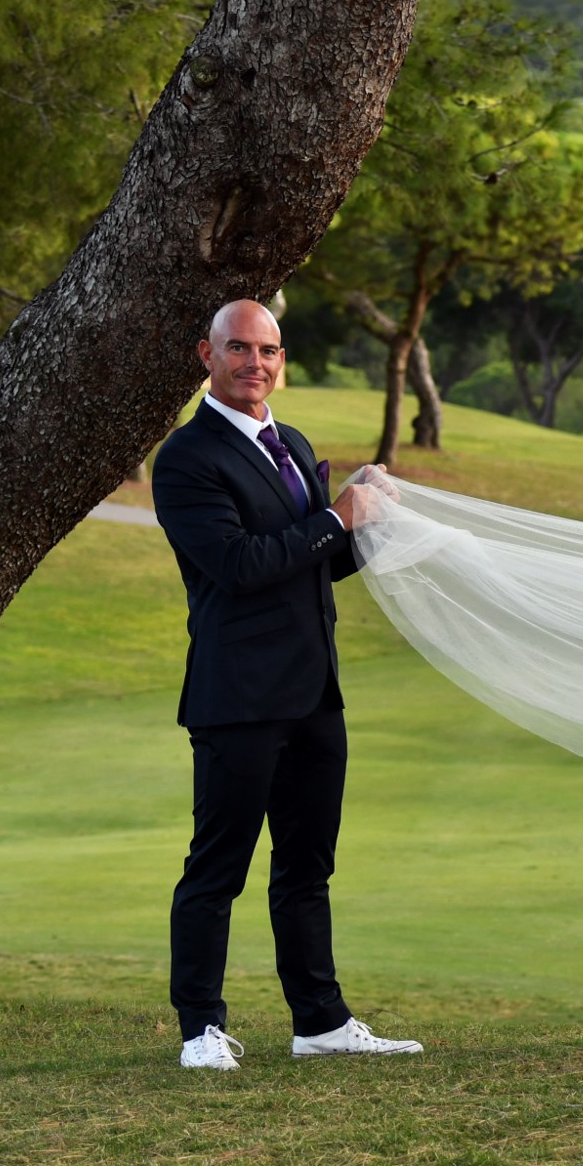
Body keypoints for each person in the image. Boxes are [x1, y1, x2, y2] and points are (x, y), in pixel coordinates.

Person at [152, 299, 421, 1070]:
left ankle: (320, 1021)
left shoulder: (292, 443)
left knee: (307, 868)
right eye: (238, 348)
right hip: (238, 697)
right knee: (217, 869)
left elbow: (315, 567)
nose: (255, 363)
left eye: (267, 350)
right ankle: (200, 1028)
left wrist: (370, 525)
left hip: (314, 695)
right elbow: (238, 566)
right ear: (206, 354)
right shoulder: (185, 458)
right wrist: (337, 518)